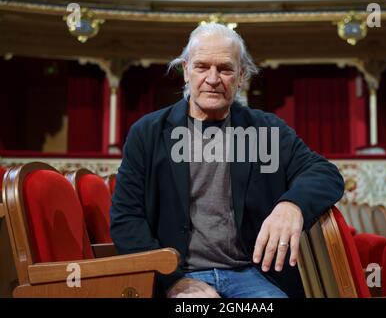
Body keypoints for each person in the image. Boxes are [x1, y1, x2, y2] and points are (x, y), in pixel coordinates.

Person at [110, 23, 344, 298]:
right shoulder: (147, 133)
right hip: (176, 276)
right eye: (201, 67)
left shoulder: (266, 130)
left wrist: (292, 205)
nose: (212, 78)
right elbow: (126, 219)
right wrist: (171, 282)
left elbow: (326, 174)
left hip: (251, 274)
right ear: (185, 70)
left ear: (241, 75)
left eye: (225, 69)